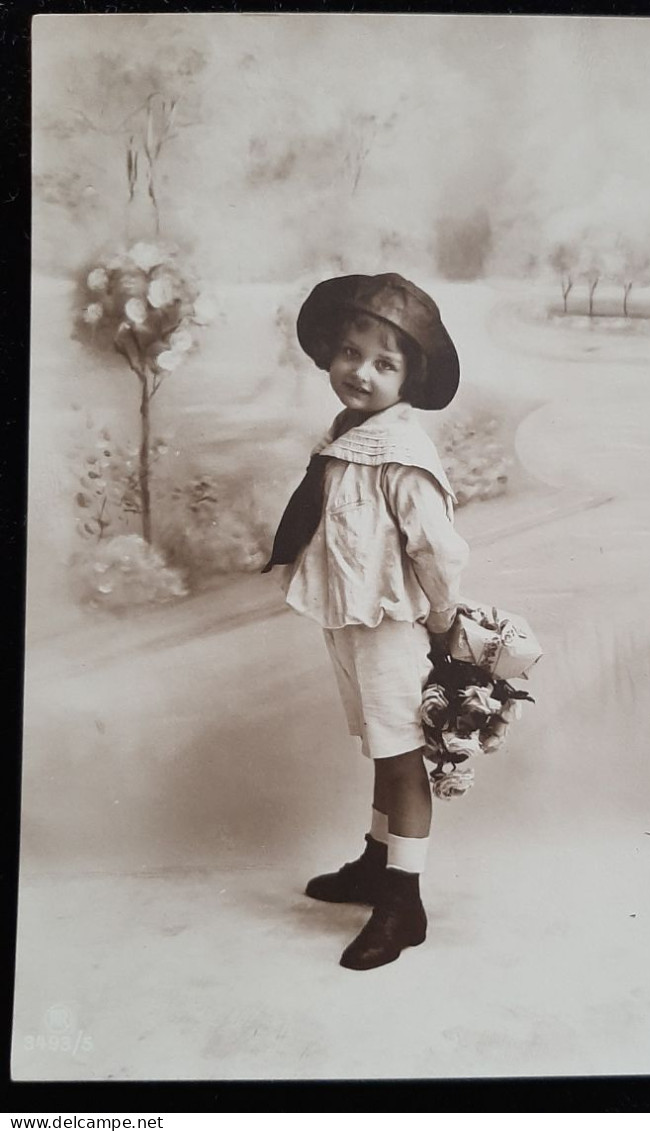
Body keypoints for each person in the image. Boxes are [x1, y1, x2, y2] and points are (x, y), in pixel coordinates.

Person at [263, 273, 469, 970]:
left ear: (411, 377)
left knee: (403, 754)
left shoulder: (403, 455)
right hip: (352, 618)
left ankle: (403, 899)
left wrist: (444, 620)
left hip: (391, 625)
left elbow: (437, 549)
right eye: (351, 353)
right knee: (382, 746)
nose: (362, 372)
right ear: (329, 353)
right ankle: (378, 861)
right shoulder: (350, 435)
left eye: (386, 363)